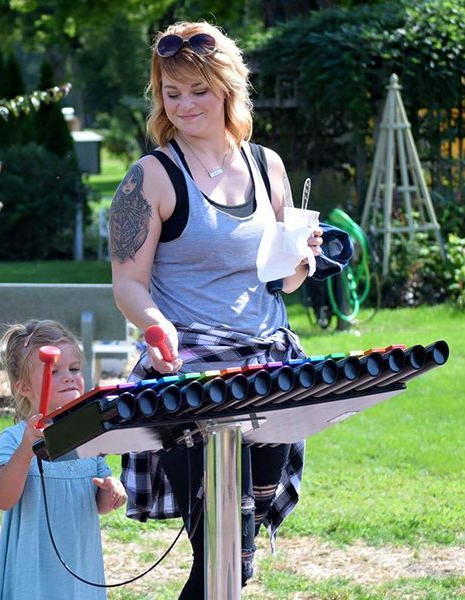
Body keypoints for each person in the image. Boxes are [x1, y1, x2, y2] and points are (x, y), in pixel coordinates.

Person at [109, 21, 323, 597]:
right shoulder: (149, 177)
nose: (183, 105)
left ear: (227, 87)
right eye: (170, 92)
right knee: (226, 554)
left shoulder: (267, 165)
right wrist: (155, 325)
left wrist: (301, 255)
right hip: (189, 379)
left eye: (197, 91)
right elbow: (128, 283)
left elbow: (286, 280)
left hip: (271, 375)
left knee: (236, 557)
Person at [0, 319, 127, 600]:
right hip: (33, 571)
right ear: (24, 388)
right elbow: (2, 498)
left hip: (79, 567)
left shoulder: (89, 436)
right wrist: (26, 450)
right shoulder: (15, 438)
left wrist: (112, 489)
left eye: (74, 369)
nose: (69, 376)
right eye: (54, 370)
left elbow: (98, 504)